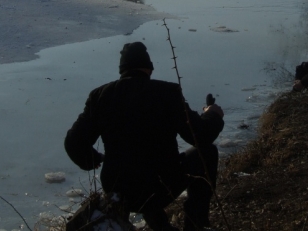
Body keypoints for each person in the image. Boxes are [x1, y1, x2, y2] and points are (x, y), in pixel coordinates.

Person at [64, 42, 224, 231]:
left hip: (118, 189)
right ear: (149, 67)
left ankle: (161, 226)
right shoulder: (168, 93)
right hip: (161, 187)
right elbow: (200, 136)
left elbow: (73, 143)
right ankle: (195, 225)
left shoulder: (100, 96)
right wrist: (212, 114)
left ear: (122, 70)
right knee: (207, 153)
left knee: (137, 169)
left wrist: (92, 159)